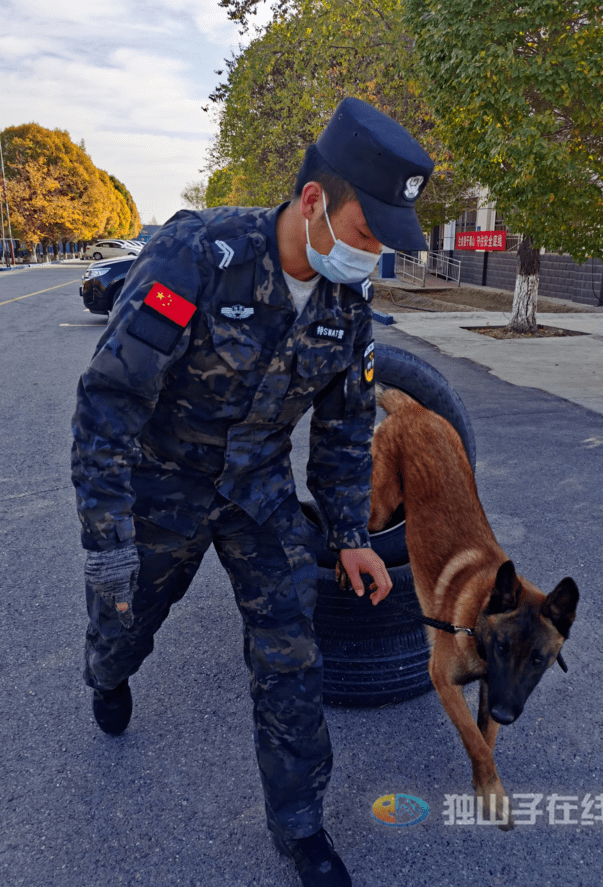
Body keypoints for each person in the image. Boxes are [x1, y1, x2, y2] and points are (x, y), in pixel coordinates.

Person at [71, 96, 433, 887]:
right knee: (124, 624)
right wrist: (106, 543)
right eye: (366, 234)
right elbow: (108, 403)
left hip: (257, 491)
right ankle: (107, 671)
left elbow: (343, 429)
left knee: (292, 654)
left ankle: (301, 826)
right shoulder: (199, 254)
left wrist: (348, 536)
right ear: (313, 203)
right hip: (163, 482)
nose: (372, 256)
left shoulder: (349, 303)